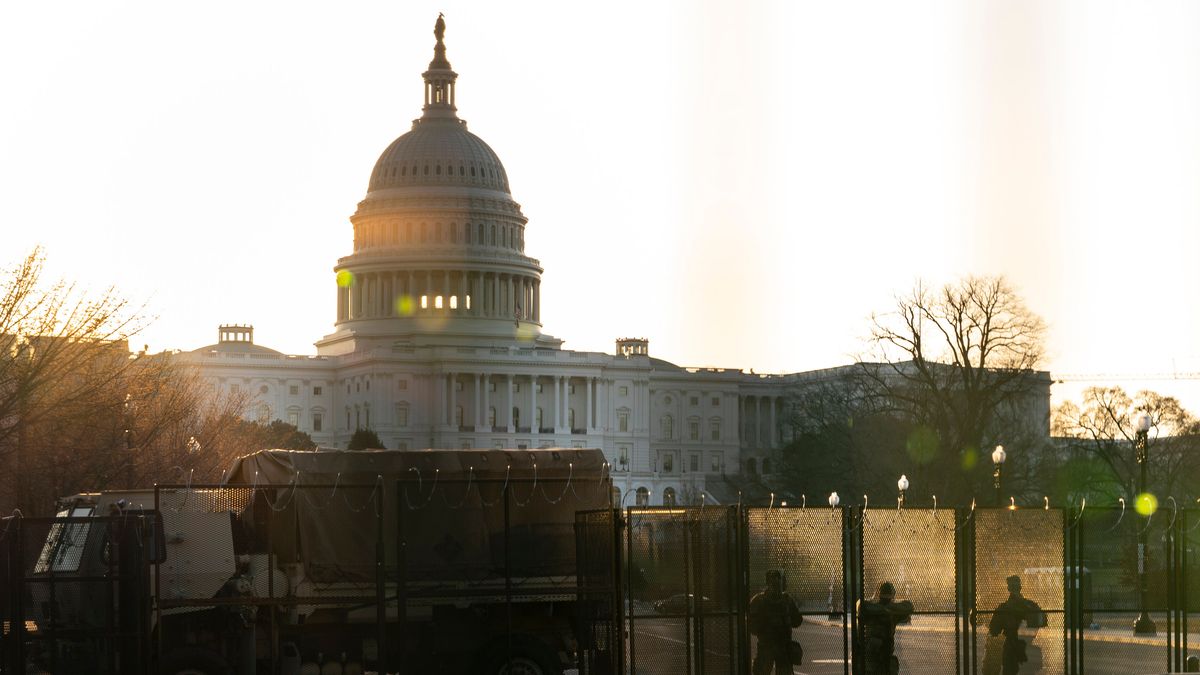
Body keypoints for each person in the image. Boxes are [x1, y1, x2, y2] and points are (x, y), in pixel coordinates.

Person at [748, 569, 803, 675]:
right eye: (775, 581)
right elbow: (797, 621)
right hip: (775, 645)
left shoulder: (760, 600)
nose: (776, 583)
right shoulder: (786, 600)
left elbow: (797, 621)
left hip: (773, 645)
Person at [987, 575, 1044, 675]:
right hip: (1027, 650)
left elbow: (994, 630)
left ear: (1008, 588)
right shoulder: (1031, 606)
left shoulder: (1003, 608)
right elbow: (1041, 621)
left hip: (1010, 650)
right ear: (1020, 587)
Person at [857, 581, 914, 675]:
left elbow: (909, 606)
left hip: (870, 656)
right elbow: (909, 606)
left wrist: (883, 607)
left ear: (879, 594)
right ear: (892, 596)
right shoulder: (892, 612)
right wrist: (888, 608)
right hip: (880, 657)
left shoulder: (871, 609)